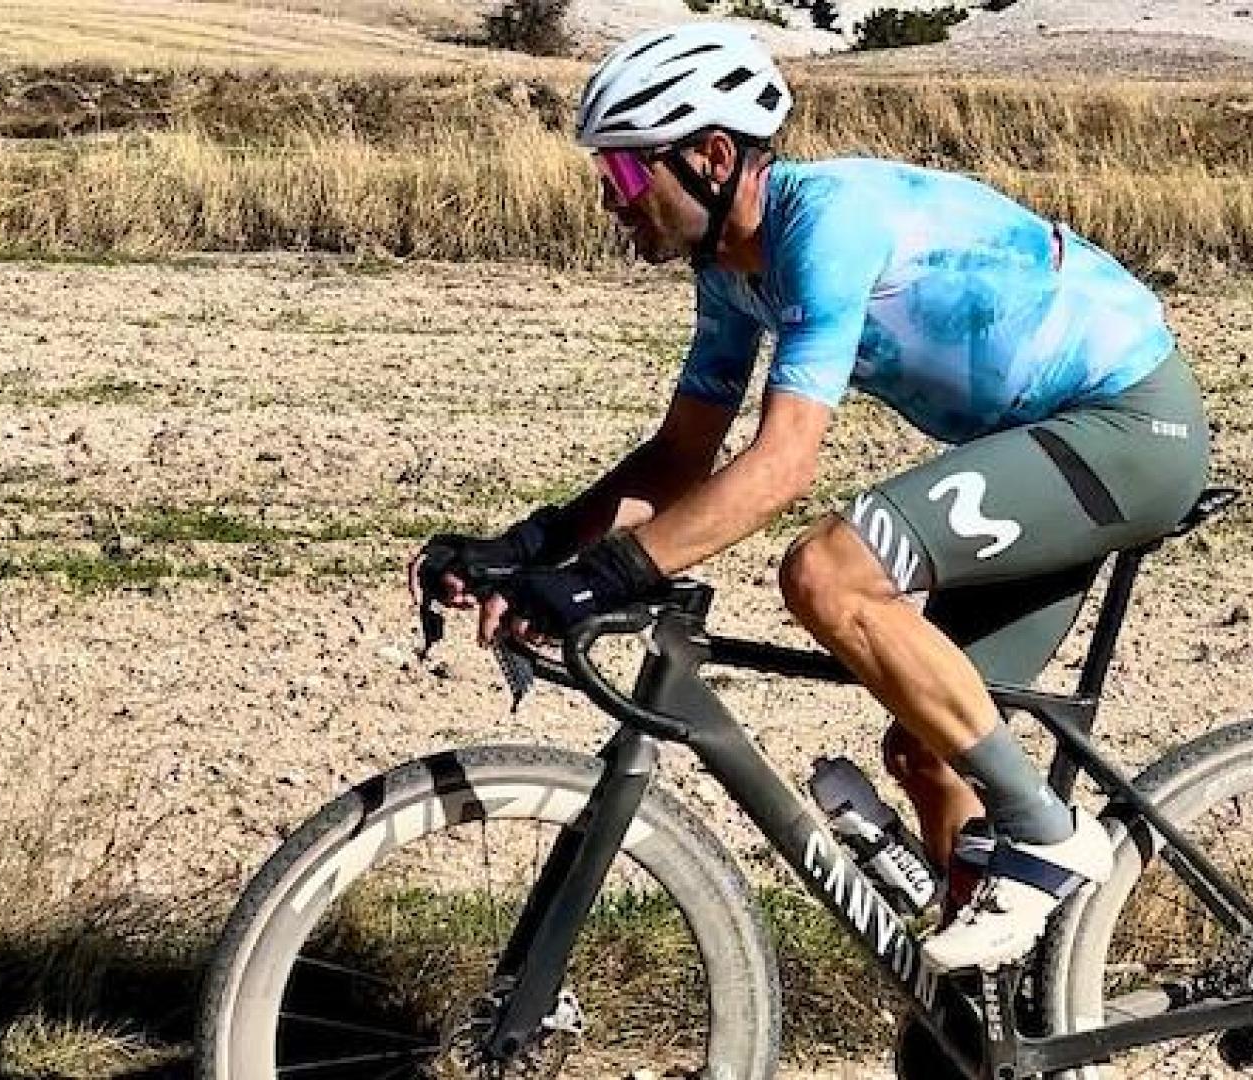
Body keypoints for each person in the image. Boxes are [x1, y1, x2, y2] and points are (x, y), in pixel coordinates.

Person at [409, 22, 1209, 973]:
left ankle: (1046, 835)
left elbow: (783, 465)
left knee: (828, 572)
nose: (610, 202)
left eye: (625, 177)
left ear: (711, 158)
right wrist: (539, 548)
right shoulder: (730, 277)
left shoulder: (825, 223)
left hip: (1125, 432)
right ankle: (993, 1013)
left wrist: (598, 583)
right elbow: (679, 457)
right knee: (930, 752)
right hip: (1036, 444)